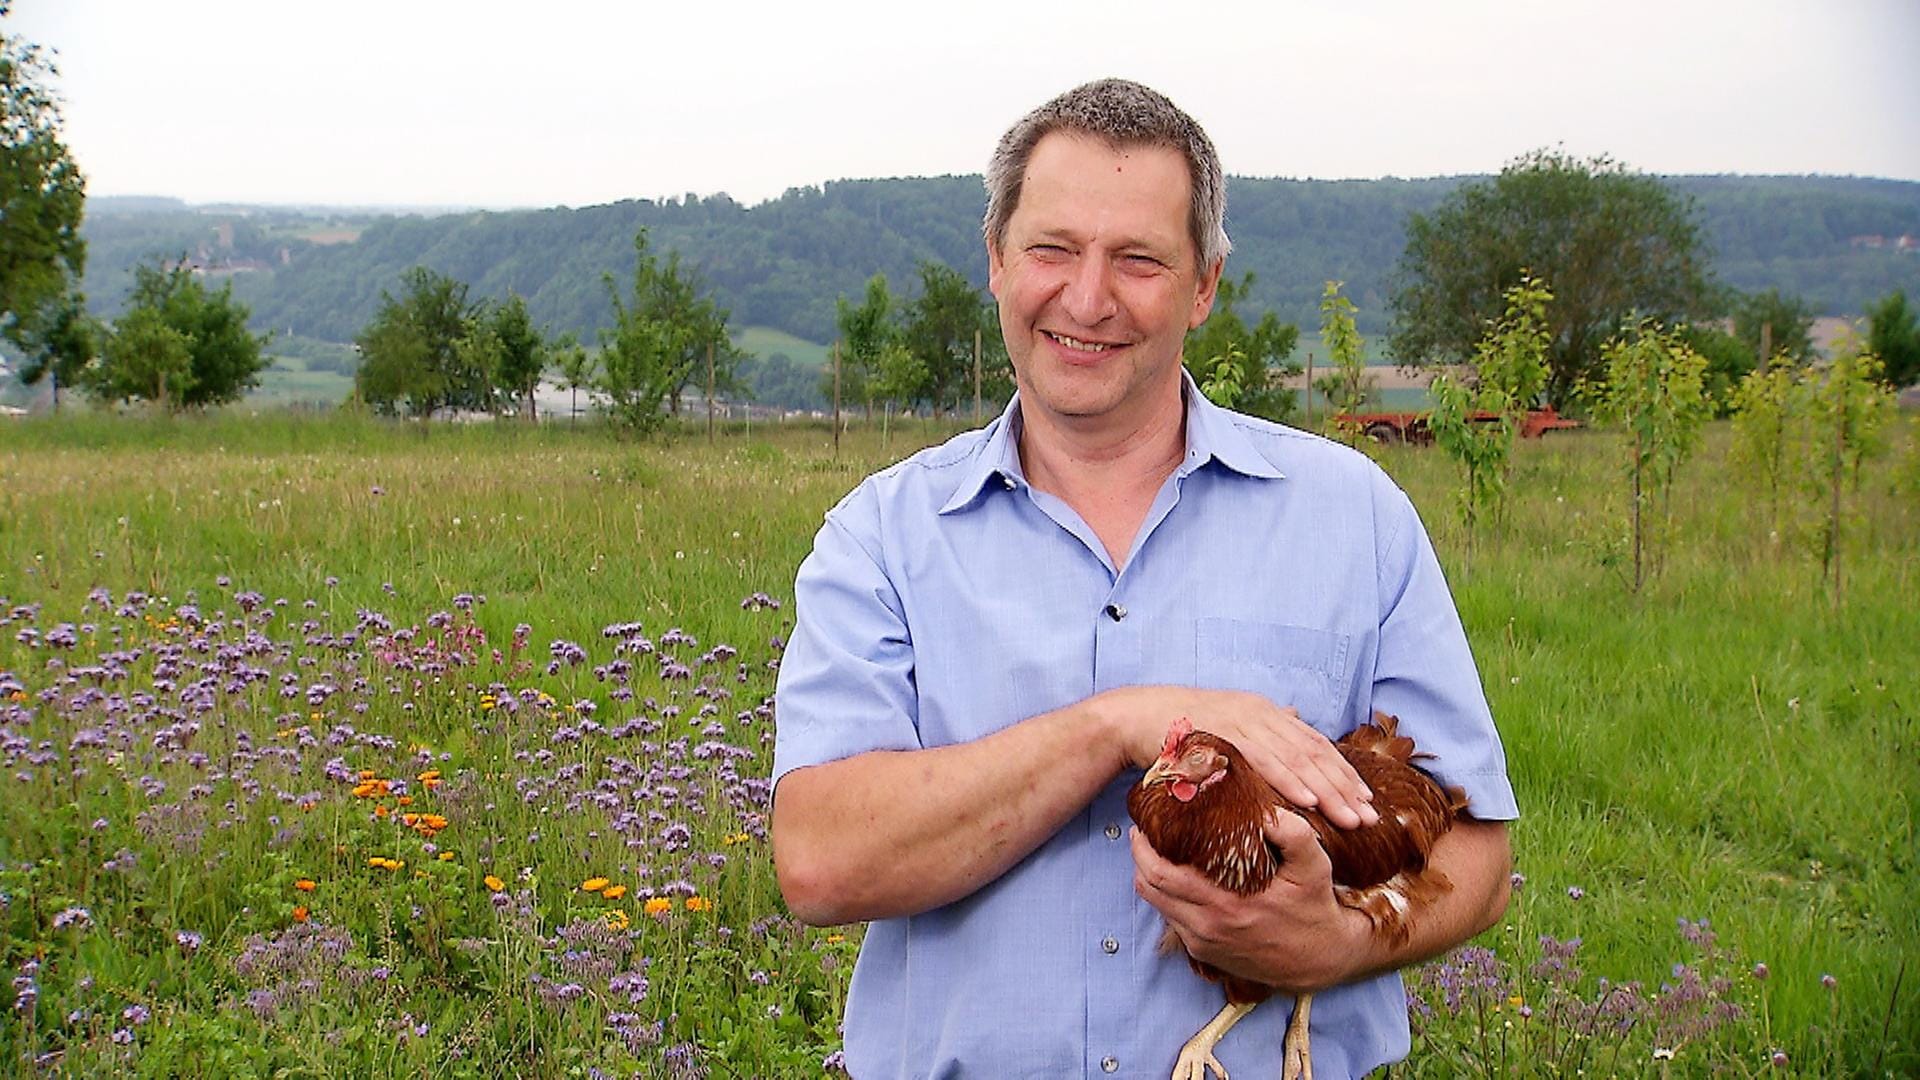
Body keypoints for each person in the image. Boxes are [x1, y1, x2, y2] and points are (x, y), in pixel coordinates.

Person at [771, 77, 1517, 1079]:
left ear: (1204, 284)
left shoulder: (1353, 517)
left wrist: (1341, 944)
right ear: (996, 263)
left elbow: (1477, 854)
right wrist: (1119, 723)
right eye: (1052, 250)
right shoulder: (883, 539)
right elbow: (821, 862)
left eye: (1138, 259)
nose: (1087, 298)